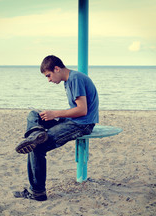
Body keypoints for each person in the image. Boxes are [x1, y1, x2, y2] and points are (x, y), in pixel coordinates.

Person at [14, 55, 99, 201]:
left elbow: (82, 110)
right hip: (73, 120)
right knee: (34, 114)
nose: (48, 80)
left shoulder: (75, 79)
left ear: (57, 69)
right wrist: (53, 115)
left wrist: (55, 114)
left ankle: (37, 192)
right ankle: (36, 133)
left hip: (82, 124)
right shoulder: (69, 80)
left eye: (49, 75)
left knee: (37, 147)